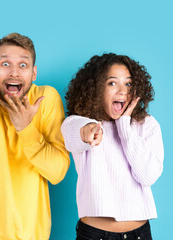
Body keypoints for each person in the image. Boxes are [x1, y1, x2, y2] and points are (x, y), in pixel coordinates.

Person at [0, 33, 70, 240]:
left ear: (34, 73)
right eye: (5, 64)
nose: (14, 73)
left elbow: (57, 172)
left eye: (23, 65)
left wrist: (26, 129)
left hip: (29, 235)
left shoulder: (45, 100)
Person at [61, 53, 164, 240]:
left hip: (139, 234)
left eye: (128, 83)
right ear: (96, 88)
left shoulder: (148, 125)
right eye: (112, 83)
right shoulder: (78, 122)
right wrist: (88, 131)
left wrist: (124, 125)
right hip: (94, 235)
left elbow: (147, 176)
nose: (122, 90)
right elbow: (73, 133)